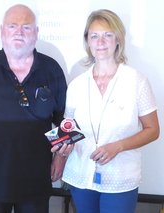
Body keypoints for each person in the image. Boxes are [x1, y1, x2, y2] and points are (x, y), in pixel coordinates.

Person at [0, 4, 71, 213]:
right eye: (12, 26)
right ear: (2, 31)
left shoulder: (51, 68)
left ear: (36, 33)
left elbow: (65, 120)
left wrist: (60, 157)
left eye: (26, 27)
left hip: (36, 178)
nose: (19, 32)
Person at [61, 9, 160, 213]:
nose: (101, 42)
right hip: (81, 174)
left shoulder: (136, 82)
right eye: (94, 36)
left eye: (108, 35)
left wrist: (119, 146)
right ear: (87, 41)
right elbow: (68, 129)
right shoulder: (77, 85)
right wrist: (63, 148)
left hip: (120, 176)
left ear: (118, 40)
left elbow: (153, 129)